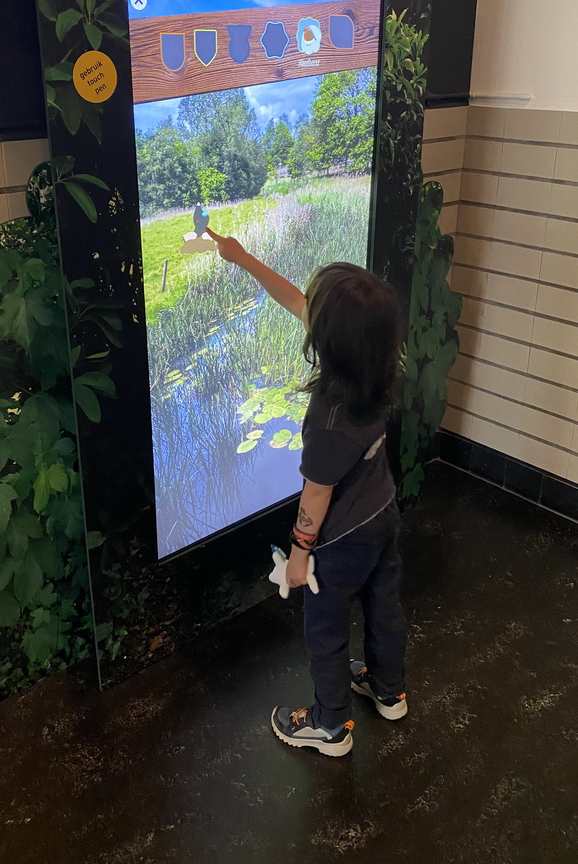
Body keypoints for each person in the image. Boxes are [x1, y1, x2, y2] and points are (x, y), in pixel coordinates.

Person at [206, 227, 407, 758]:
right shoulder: (376, 369)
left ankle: (330, 726)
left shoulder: (329, 418)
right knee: (384, 606)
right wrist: (243, 257)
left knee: (326, 630)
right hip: (384, 513)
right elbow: (295, 298)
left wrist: (299, 560)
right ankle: (390, 693)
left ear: (326, 339)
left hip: (340, 542)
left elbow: (315, 500)